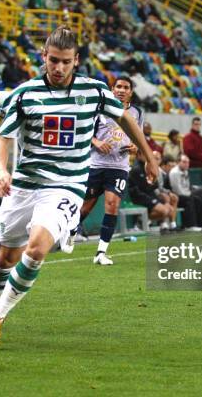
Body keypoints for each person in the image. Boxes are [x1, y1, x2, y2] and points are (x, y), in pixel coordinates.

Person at [0, 26, 158, 342]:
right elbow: (1, 139)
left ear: (76, 60)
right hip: (24, 185)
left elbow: (126, 118)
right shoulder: (24, 94)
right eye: (54, 61)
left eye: (66, 61)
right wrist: (0, 170)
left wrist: (148, 155)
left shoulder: (93, 91)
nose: (59, 68)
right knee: (5, 259)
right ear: (44, 57)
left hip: (66, 186)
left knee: (36, 249)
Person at [70, 76, 143, 265]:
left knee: (112, 204)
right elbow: (84, 132)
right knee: (85, 208)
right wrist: (96, 142)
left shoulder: (137, 113)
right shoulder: (100, 108)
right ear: (112, 89)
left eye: (126, 87)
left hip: (119, 167)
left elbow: (138, 137)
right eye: (118, 86)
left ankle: (101, 252)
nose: (121, 90)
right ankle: (69, 232)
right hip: (96, 165)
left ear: (130, 92)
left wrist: (135, 147)